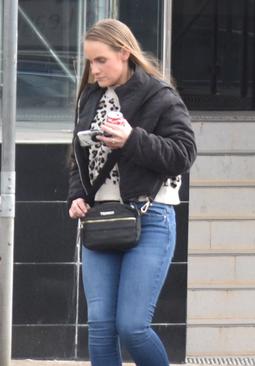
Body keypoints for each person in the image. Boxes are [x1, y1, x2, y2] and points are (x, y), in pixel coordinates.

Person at [67, 19, 196, 365]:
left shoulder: (160, 96)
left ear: (124, 53)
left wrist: (132, 139)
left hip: (150, 216)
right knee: (100, 326)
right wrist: (77, 196)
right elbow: (79, 156)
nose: (93, 70)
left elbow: (184, 155)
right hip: (100, 219)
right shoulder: (90, 98)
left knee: (133, 326)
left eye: (100, 60)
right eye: (89, 62)